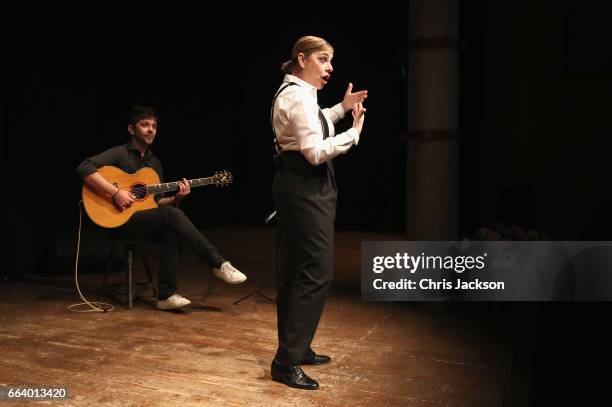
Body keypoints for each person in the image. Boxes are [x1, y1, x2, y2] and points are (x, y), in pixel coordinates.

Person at [76, 106, 246, 310]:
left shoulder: (154, 163)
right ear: (131, 129)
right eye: (144, 124)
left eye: (154, 126)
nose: (150, 130)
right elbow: (84, 168)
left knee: (172, 230)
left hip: (140, 220)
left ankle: (166, 295)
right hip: (116, 220)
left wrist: (177, 197)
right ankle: (217, 263)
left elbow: (155, 204)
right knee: (172, 217)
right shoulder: (120, 154)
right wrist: (116, 193)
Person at [270, 36, 367, 390]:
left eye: (330, 61)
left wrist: (340, 109)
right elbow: (313, 150)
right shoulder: (296, 96)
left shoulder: (300, 95)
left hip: (301, 184)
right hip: (305, 184)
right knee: (315, 271)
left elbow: (313, 123)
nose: (329, 68)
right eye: (323, 60)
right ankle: (286, 361)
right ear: (302, 58)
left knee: (298, 270)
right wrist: (353, 134)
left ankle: (297, 345)